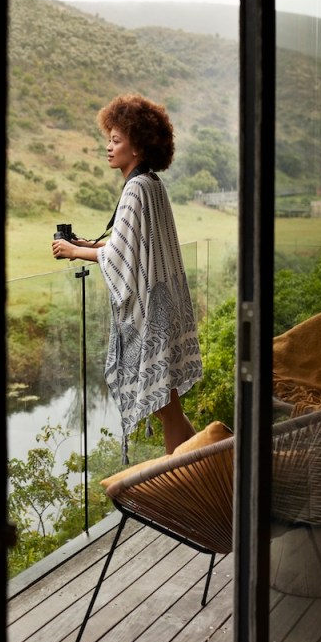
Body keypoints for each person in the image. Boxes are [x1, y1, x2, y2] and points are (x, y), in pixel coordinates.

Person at [51, 93, 203, 462]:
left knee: (167, 411)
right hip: (168, 308)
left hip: (153, 316)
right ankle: (213, 464)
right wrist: (90, 244)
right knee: (170, 408)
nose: (108, 147)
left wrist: (73, 251)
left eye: (116, 140)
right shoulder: (151, 183)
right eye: (110, 138)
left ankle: (184, 485)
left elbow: (121, 255)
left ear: (137, 146)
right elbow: (131, 243)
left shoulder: (137, 187)